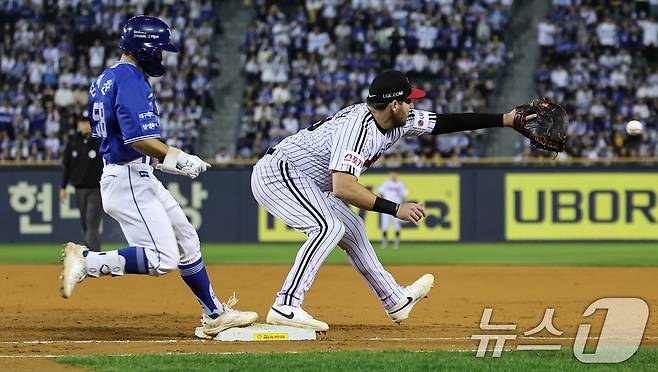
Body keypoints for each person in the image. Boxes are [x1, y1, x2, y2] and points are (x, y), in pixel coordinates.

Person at [251, 70, 536, 331]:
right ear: (394, 105)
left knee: (353, 230)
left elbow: (446, 122)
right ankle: (286, 305)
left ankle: (395, 299)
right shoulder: (357, 130)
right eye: (409, 101)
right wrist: (395, 208)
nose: (413, 105)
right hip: (280, 172)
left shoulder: (400, 120)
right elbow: (344, 187)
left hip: (309, 180)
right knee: (328, 227)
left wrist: (505, 120)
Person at [59, 15, 257, 337]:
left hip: (134, 174)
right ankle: (86, 260)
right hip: (128, 179)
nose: (162, 55)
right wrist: (176, 158)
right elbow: (136, 139)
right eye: (159, 49)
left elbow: (121, 137)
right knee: (162, 259)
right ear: (144, 48)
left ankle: (215, 314)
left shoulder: (105, 79)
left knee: (186, 240)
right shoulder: (131, 79)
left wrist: (165, 161)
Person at [60, 117, 103, 252]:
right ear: (78, 124)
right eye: (83, 123)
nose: (85, 125)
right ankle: (89, 254)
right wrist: (63, 187)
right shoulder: (73, 142)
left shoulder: (99, 140)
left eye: (88, 122)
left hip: (95, 189)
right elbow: (67, 167)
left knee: (91, 222)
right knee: (85, 223)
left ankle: (93, 255)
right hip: (79, 189)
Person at [377, 170, 408, 249]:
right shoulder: (386, 183)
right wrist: (382, 203)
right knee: (385, 225)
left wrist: (404, 205)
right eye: (392, 174)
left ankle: (396, 241)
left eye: (395, 174)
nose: (394, 175)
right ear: (390, 174)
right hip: (385, 208)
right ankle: (384, 241)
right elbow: (380, 193)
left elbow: (404, 195)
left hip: (397, 208)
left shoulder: (400, 184)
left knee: (396, 225)